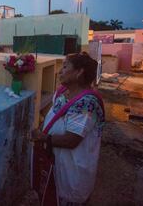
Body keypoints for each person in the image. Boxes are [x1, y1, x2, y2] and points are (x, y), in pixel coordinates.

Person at [31, 52, 105, 205]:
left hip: (73, 170)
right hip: (58, 164)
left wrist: (43, 137)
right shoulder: (63, 93)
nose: (60, 71)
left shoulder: (86, 104)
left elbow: (72, 140)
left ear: (79, 72)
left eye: (65, 67)